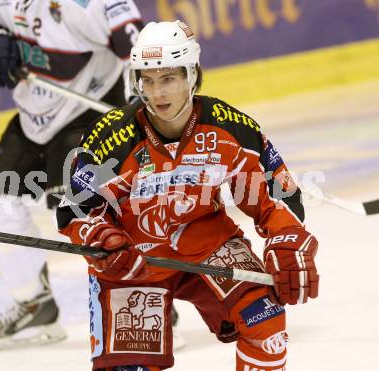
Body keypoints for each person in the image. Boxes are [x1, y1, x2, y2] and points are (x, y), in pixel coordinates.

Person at [57, 19, 320, 370]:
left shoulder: (230, 127)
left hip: (208, 245)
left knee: (266, 324)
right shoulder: (111, 138)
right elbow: (73, 209)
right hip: (132, 261)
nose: (157, 93)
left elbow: (276, 195)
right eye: (147, 81)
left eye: (168, 79)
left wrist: (287, 240)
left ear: (192, 75)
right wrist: (101, 239)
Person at [0, 0, 145, 350]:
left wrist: (138, 106)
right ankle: (35, 304)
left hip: (90, 110)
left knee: (86, 215)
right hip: (36, 115)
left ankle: (145, 306)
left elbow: (138, 49)